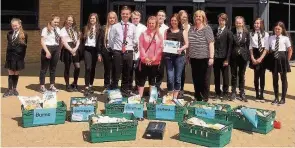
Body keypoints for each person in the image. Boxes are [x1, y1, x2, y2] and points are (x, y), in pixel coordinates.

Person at [187, 10, 214, 102]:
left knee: (205, 79)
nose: (197, 18)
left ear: (203, 18)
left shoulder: (207, 29)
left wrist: (211, 57)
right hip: (194, 58)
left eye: (200, 16)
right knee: (196, 78)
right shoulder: (191, 29)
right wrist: (188, 55)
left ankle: (205, 98)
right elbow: (189, 44)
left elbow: (211, 43)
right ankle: (197, 96)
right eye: (196, 16)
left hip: (205, 58)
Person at [109, 6, 136, 96]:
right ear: (121, 14)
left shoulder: (132, 26)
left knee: (127, 73)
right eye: (123, 13)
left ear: (130, 15)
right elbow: (111, 40)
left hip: (129, 52)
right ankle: (114, 93)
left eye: (127, 14)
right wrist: (117, 49)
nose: (125, 15)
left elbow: (134, 40)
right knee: (116, 73)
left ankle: (124, 91)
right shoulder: (115, 26)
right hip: (118, 52)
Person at [163, 13, 188, 99]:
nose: (174, 22)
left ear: (178, 21)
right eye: (172, 20)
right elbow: (164, 42)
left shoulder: (183, 31)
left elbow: (187, 44)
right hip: (168, 57)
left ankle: (175, 97)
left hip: (179, 57)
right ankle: (170, 95)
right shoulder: (167, 31)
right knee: (170, 78)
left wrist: (181, 49)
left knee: (177, 78)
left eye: (175, 20)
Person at [137, 16, 163, 97]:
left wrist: (154, 58)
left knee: (152, 80)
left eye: (153, 23)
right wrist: (145, 58)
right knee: (142, 80)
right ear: (147, 23)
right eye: (149, 23)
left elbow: (161, 47)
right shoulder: (143, 34)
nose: (151, 24)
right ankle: (139, 97)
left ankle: (151, 98)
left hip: (155, 62)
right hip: (145, 61)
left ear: (156, 24)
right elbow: (140, 47)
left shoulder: (159, 35)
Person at [268, 21, 292, 105]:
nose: (277, 30)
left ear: (282, 30)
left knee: (283, 79)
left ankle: (283, 98)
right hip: (274, 59)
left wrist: (287, 61)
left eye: (279, 29)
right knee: (275, 79)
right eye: (276, 29)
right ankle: (276, 97)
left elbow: (289, 50)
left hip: (282, 59)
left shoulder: (285, 38)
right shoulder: (271, 38)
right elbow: (269, 49)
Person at [3, 18, 28, 98]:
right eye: (13, 26)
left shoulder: (24, 34)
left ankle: (14, 89)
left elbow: (24, 48)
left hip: (18, 58)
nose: (14, 27)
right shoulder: (9, 33)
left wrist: (22, 58)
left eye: (16, 25)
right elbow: (9, 45)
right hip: (10, 57)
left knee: (16, 73)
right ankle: (9, 89)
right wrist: (7, 57)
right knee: (10, 73)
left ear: (19, 25)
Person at [81, 13, 103, 96]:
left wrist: (99, 53)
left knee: (93, 68)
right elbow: (82, 40)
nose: (92, 20)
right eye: (91, 18)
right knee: (88, 67)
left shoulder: (99, 29)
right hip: (87, 49)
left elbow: (100, 42)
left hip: (94, 50)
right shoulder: (85, 28)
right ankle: (86, 86)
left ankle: (91, 85)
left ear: (96, 19)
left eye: (94, 18)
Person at [39, 15, 61, 93]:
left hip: (56, 48)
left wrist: (59, 50)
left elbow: (60, 40)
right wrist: (47, 51)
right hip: (47, 48)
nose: (56, 23)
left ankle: (52, 85)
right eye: (55, 22)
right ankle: (42, 86)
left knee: (53, 69)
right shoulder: (45, 29)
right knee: (44, 69)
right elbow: (42, 41)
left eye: (58, 22)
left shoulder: (58, 29)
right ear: (51, 21)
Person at [213, 13, 232, 101]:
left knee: (225, 76)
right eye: (220, 20)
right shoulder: (215, 30)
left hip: (224, 58)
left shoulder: (228, 32)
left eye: (223, 20)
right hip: (216, 57)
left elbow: (229, 47)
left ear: (225, 21)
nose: (221, 22)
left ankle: (225, 93)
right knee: (216, 76)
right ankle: (217, 92)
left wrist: (227, 59)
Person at [230, 16, 250, 102]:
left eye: (240, 22)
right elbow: (230, 45)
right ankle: (233, 92)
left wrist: (247, 56)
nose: (238, 24)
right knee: (234, 75)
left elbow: (248, 45)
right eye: (237, 22)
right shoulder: (232, 32)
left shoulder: (247, 33)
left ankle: (242, 93)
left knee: (242, 75)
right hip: (234, 57)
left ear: (243, 23)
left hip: (243, 58)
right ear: (235, 23)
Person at [249, 18, 269, 102]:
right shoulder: (251, 34)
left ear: (261, 24)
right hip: (255, 54)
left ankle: (262, 94)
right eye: (255, 23)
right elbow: (250, 47)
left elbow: (267, 48)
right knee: (256, 76)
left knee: (262, 76)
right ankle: (257, 93)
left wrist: (261, 58)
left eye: (258, 23)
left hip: (263, 55)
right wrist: (252, 58)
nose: (256, 25)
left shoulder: (266, 34)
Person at [60, 15, 81, 92]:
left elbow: (78, 39)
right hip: (67, 49)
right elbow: (64, 42)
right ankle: (67, 85)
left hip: (75, 48)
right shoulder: (63, 30)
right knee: (67, 68)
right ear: (66, 20)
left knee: (77, 67)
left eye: (71, 20)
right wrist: (71, 50)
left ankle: (75, 83)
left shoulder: (75, 29)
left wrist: (75, 48)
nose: (70, 22)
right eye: (69, 20)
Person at [99, 11, 118, 94]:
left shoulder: (119, 27)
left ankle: (114, 86)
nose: (112, 19)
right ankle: (106, 85)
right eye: (110, 18)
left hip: (116, 51)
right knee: (107, 69)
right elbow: (99, 41)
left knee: (115, 69)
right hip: (106, 50)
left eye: (113, 18)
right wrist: (99, 53)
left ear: (116, 18)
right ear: (108, 19)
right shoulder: (103, 28)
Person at [129, 11, 147, 94]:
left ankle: (137, 87)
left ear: (139, 18)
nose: (135, 20)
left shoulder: (143, 28)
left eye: (137, 18)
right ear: (131, 18)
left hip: (139, 53)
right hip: (129, 52)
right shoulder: (128, 26)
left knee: (138, 72)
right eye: (133, 18)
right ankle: (129, 87)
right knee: (128, 71)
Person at [155, 10, 169, 95]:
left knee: (160, 70)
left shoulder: (167, 28)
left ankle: (158, 86)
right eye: (159, 15)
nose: (160, 17)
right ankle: (153, 87)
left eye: (162, 15)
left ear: (165, 18)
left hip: (162, 52)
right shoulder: (152, 26)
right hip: (152, 52)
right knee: (153, 70)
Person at [178, 10, 191, 98]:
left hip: (184, 53)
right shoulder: (175, 25)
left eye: (186, 16)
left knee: (182, 72)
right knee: (175, 73)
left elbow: (190, 42)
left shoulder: (189, 27)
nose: (184, 18)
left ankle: (181, 89)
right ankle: (175, 89)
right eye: (183, 16)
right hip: (175, 52)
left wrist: (188, 55)